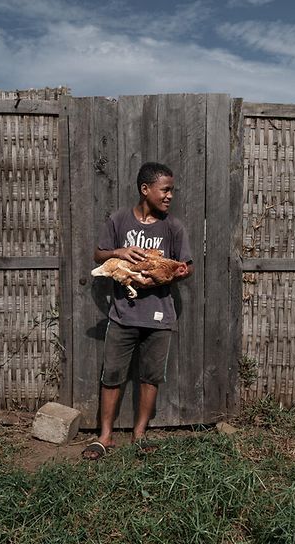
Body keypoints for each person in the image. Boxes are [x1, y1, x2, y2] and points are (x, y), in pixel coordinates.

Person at [82, 162, 194, 460]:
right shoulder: (119, 220)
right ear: (145, 190)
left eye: (172, 190)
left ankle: (140, 435)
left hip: (159, 316)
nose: (170, 196)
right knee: (113, 375)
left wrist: (170, 273)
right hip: (122, 314)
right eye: (165, 190)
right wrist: (119, 252)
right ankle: (105, 436)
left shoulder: (173, 227)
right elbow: (98, 254)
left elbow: (187, 266)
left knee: (150, 377)